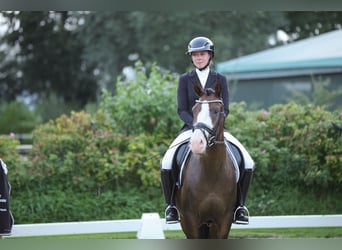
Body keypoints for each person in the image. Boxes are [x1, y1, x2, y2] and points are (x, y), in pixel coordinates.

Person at [160, 36, 254, 224]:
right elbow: (182, 110)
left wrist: (210, 127)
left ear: (210, 56)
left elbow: (225, 108)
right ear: (191, 58)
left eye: (202, 54)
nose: (198, 58)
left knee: (248, 161)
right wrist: (197, 126)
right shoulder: (185, 79)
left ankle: (239, 207)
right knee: (166, 161)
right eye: (195, 55)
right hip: (191, 129)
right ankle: (171, 206)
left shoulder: (220, 79)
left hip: (216, 130)